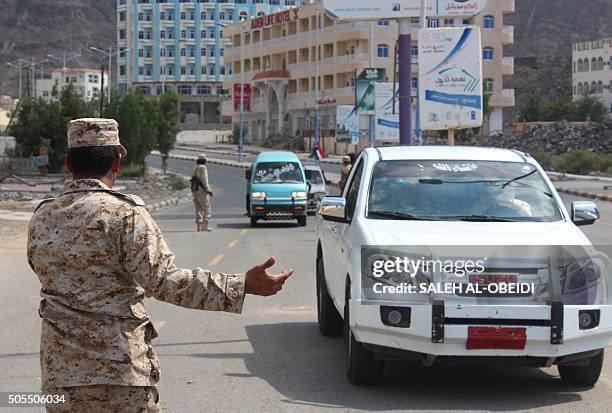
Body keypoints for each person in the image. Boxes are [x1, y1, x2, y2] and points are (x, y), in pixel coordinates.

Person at [27, 118, 294, 412]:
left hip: (60, 380)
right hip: (120, 376)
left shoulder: (42, 217)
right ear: (117, 162)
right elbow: (164, 281)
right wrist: (241, 285)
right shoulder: (126, 215)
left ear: (67, 163)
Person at [192, 153, 213, 232]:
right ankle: (205, 226)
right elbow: (204, 180)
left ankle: (198, 226)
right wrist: (208, 190)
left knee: (198, 208)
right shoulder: (203, 168)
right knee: (206, 208)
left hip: (196, 191)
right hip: (202, 191)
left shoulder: (196, 168)